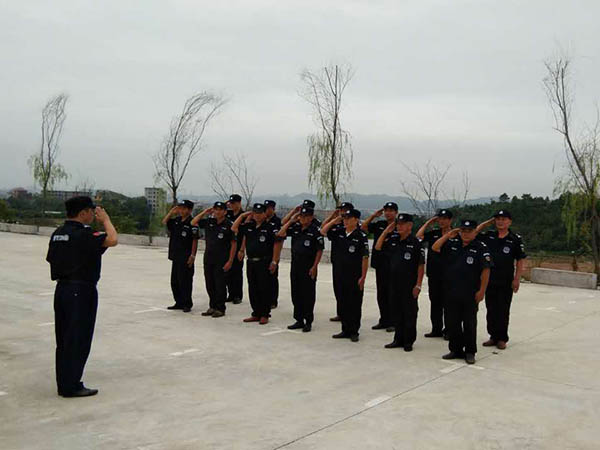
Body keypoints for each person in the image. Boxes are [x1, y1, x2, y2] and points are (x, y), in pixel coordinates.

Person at [46, 196, 118, 397]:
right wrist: (106, 220)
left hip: (62, 289)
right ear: (83, 212)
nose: (93, 215)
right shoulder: (84, 234)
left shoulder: (58, 233)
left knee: (64, 339)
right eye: (91, 212)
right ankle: (71, 385)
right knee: (78, 338)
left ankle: (64, 382)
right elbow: (112, 239)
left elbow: (51, 259)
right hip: (81, 291)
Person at [432, 219, 491, 364]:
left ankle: (470, 352)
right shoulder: (453, 244)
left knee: (469, 323)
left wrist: (482, 291)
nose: (466, 234)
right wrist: (448, 235)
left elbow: (486, 270)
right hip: (451, 291)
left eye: (469, 231)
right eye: (463, 231)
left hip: (470, 292)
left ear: (474, 232)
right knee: (453, 322)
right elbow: (435, 247)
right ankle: (455, 349)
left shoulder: (480, 247)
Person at [475, 210, 527, 350]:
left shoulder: (514, 239)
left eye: (503, 219)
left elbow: (520, 260)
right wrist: (487, 223)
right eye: (498, 219)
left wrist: (517, 279)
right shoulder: (489, 236)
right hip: (489, 279)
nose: (500, 222)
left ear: (509, 222)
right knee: (491, 309)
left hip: (505, 280)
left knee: (503, 310)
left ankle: (502, 338)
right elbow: (474, 233)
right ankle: (493, 336)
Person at [375, 213, 425, 351]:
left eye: (402, 224)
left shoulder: (415, 243)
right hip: (393, 283)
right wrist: (386, 232)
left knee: (409, 313)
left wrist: (418, 285)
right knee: (396, 312)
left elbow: (421, 265)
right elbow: (378, 247)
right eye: (398, 224)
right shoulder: (393, 240)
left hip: (409, 284)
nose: (399, 226)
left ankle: (408, 341)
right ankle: (398, 339)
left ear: (410, 225)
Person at [321, 208, 369, 342]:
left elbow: (365, 258)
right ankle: (345, 329)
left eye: (349, 218)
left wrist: (363, 277)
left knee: (354, 303)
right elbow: (323, 231)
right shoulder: (339, 232)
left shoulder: (361, 236)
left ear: (356, 220)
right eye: (345, 218)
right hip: (340, 273)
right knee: (343, 302)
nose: (346, 221)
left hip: (354, 275)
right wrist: (335, 220)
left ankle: (354, 331)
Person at [232, 203, 283, 325]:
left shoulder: (271, 227)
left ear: (265, 214)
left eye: (260, 213)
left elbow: (277, 244)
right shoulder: (249, 226)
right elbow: (234, 228)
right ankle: (256, 313)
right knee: (253, 288)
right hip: (251, 261)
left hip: (264, 261)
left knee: (264, 288)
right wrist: (243, 215)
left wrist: (275, 261)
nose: (257, 215)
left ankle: (265, 314)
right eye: (255, 213)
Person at [277, 206, 324, 332]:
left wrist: (315, 266)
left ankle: (308, 321)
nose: (303, 218)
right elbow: (280, 233)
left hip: (308, 267)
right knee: (296, 293)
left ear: (311, 217)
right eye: (301, 216)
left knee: (308, 295)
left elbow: (319, 250)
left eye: (306, 216)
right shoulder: (296, 228)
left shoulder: (315, 231)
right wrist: (291, 221)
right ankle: (299, 319)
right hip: (295, 266)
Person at [191, 201, 237, 318]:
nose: (217, 211)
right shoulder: (209, 222)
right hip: (209, 258)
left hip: (222, 259)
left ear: (225, 212)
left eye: (220, 209)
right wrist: (205, 212)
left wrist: (230, 261)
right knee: (210, 283)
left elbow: (233, 244)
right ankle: (212, 306)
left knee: (220, 284)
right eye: (216, 209)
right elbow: (193, 222)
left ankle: (220, 308)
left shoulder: (229, 225)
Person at [416, 209, 454, 339]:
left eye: (445, 219)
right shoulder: (434, 234)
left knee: (448, 304)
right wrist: (428, 223)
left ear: (450, 220)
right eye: (440, 219)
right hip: (434, 274)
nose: (442, 221)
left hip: (449, 275)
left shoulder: (455, 235)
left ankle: (449, 330)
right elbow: (419, 237)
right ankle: (436, 329)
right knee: (435, 302)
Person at [361, 202, 398, 331]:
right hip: (380, 264)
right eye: (386, 210)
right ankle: (384, 320)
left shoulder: (399, 226)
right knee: (381, 294)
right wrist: (373, 216)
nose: (388, 213)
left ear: (396, 212)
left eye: (391, 210)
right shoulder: (380, 224)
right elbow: (363, 227)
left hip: (394, 265)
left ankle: (394, 322)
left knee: (392, 294)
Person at [162, 200, 199, 313]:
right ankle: (179, 302)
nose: (181, 210)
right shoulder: (177, 221)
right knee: (175, 281)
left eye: (184, 208)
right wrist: (171, 212)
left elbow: (195, 240)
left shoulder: (192, 222)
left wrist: (193, 255)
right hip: (176, 255)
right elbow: (164, 222)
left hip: (186, 256)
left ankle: (187, 303)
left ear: (190, 210)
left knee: (185, 281)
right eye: (180, 208)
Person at [322, 201, 354, 322]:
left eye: (344, 210)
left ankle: (349, 314)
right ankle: (340, 313)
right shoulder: (336, 226)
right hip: (337, 262)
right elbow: (323, 230)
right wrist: (333, 218)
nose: (342, 212)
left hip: (350, 264)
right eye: (341, 210)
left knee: (349, 291)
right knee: (338, 289)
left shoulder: (353, 227)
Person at [226, 194, 244, 304]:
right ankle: (231, 294)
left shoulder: (243, 216)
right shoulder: (228, 214)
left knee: (237, 271)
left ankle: (237, 295)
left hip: (238, 246)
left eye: (233, 203)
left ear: (239, 203)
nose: (231, 205)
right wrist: (225, 204)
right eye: (230, 203)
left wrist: (242, 249)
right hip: (227, 246)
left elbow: (245, 234)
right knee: (228, 271)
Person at [264, 200, 281, 309]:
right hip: (263, 252)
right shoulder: (262, 220)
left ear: (273, 209)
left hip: (273, 252)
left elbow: (279, 239)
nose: (266, 210)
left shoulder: (277, 221)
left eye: (268, 208)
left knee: (272, 278)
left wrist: (276, 257)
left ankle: (273, 300)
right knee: (263, 278)